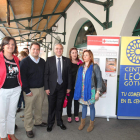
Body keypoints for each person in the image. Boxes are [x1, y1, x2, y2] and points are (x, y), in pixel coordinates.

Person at [20, 42, 47, 138]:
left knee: (39, 107)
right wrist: (26, 90)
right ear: (30, 49)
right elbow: (22, 77)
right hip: (30, 90)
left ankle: (38, 122)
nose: (36, 51)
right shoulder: (25, 62)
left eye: (37, 49)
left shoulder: (42, 61)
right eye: (34, 49)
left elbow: (45, 75)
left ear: (39, 50)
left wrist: (46, 88)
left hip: (41, 89)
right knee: (29, 110)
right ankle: (28, 128)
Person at [44, 43, 71, 132]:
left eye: (60, 48)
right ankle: (50, 123)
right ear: (54, 50)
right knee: (51, 106)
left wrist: (69, 87)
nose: (59, 50)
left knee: (59, 106)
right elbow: (46, 75)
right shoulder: (49, 60)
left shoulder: (67, 60)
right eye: (57, 48)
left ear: (62, 50)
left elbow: (69, 75)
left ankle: (59, 122)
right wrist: (46, 88)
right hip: (51, 87)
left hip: (62, 88)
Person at [74, 50, 102, 132]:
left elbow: (99, 79)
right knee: (84, 106)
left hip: (91, 90)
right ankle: (82, 123)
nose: (84, 56)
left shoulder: (95, 66)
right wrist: (76, 88)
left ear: (90, 56)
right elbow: (77, 78)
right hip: (82, 90)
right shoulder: (81, 66)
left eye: (86, 55)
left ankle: (91, 124)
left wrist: (98, 92)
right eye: (83, 55)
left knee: (92, 107)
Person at [0, 36, 22, 140]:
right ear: (3, 46)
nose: (10, 46)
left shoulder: (16, 59)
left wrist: (20, 86)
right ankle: (3, 136)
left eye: (13, 44)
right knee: (3, 116)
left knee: (12, 113)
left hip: (16, 89)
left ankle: (11, 133)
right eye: (8, 44)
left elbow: (18, 74)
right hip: (3, 90)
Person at [67, 48, 83, 123]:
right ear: (70, 54)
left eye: (76, 52)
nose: (74, 54)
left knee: (76, 101)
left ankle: (76, 115)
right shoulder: (68, 63)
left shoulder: (80, 63)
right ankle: (69, 116)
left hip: (78, 86)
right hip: (69, 86)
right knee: (69, 101)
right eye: (73, 53)